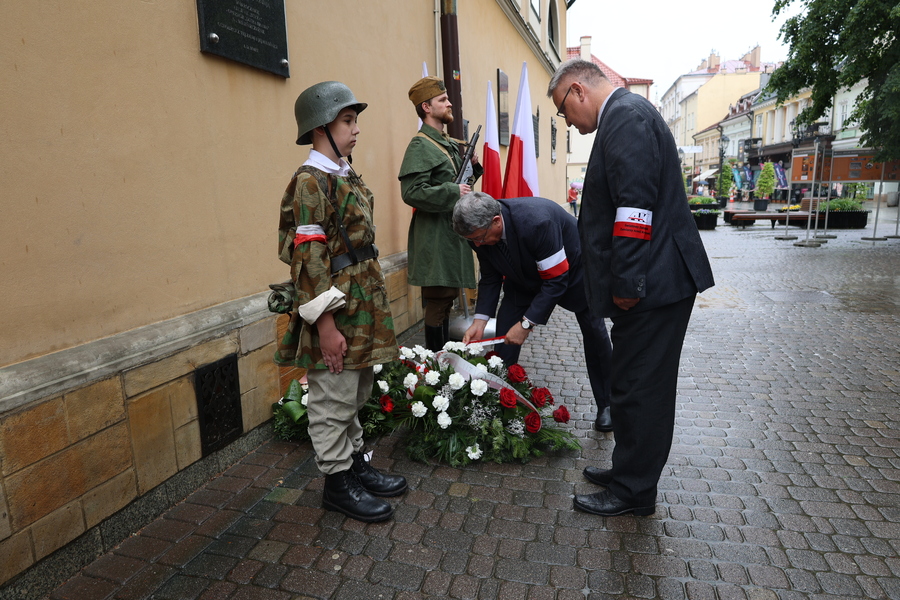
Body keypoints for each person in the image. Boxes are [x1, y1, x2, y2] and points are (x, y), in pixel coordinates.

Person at [548, 59, 715, 517]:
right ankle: (628, 468)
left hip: (652, 285)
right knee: (630, 382)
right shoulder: (624, 115)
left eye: (563, 110)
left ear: (578, 91)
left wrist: (627, 282)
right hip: (653, 282)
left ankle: (634, 490)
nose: (567, 121)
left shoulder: (625, 118)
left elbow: (633, 209)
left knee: (644, 389)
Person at [274, 81, 406, 523]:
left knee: (355, 388)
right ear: (320, 127)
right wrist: (325, 327)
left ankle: (353, 464)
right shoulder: (310, 182)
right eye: (347, 121)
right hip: (333, 304)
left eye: (354, 121)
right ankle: (336, 483)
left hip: (360, 300)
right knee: (332, 396)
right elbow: (307, 258)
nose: (356, 129)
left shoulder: (342, 173)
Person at [452, 192, 614, 431]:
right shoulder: (476, 233)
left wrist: (526, 324)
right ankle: (501, 402)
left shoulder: (537, 222)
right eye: (472, 240)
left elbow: (556, 280)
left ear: (496, 220)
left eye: (479, 238)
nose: (477, 244)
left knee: (594, 333)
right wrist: (480, 321)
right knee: (505, 339)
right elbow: (490, 275)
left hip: (575, 274)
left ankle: (608, 404)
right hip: (522, 278)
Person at [398, 76, 482, 351]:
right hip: (434, 239)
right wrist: (452, 191)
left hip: (449, 235)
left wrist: (472, 169)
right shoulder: (421, 145)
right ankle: (434, 364)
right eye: (442, 100)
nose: (449, 103)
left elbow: (459, 187)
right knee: (437, 302)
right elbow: (412, 192)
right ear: (426, 107)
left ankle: (443, 365)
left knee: (446, 301)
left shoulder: (445, 143)